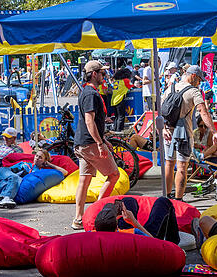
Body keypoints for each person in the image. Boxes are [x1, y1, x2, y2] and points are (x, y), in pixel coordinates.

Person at [72, 60, 122, 230]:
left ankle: (78, 219)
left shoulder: (87, 92)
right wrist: (100, 143)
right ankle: (98, 212)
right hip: (90, 144)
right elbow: (89, 120)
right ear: (94, 74)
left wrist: (103, 139)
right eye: (102, 73)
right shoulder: (91, 94)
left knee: (84, 181)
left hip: (83, 143)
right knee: (114, 175)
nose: (105, 75)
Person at [163, 65, 216, 200]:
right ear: (193, 76)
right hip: (184, 133)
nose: (199, 83)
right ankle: (179, 200)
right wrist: (214, 132)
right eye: (199, 80)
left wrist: (163, 128)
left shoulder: (171, 88)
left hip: (168, 130)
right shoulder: (194, 92)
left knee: (169, 163)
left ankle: (167, 197)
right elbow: (203, 112)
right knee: (182, 166)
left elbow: (161, 110)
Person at [0, 149, 68, 210]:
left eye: (40, 157)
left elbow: (64, 172)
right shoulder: (25, 164)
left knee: (8, 183)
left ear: (45, 161)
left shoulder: (39, 172)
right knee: (15, 177)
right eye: (36, 156)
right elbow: (7, 170)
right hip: (4, 172)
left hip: (10, 181)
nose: (36, 158)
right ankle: (6, 197)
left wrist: (49, 164)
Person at [93, 197, 180, 244]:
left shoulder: (90, 235)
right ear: (116, 225)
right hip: (141, 240)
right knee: (163, 201)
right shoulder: (135, 232)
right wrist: (134, 222)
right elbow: (155, 243)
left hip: (113, 236)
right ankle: (173, 242)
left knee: (128, 201)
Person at [110, 67, 138, 131]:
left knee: (116, 117)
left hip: (113, 100)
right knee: (121, 116)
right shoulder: (125, 80)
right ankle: (119, 130)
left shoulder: (116, 81)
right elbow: (132, 86)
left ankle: (115, 129)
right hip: (119, 99)